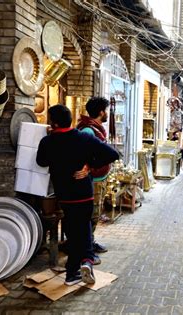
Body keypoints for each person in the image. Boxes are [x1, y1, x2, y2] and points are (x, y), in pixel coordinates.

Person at [36, 105, 119, 286]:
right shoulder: (84, 138)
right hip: (83, 193)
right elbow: (113, 154)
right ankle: (81, 266)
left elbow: (40, 161)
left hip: (64, 195)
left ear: (54, 122)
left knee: (75, 232)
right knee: (83, 229)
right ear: (70, 120)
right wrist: (90, 166)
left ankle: (81, 265)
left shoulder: (48, 142)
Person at [76, 97, 110, 265]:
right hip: (92, 180)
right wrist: (87, 168)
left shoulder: (96, 128)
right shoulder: (88, 130)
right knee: (91, 215)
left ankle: (90, 242)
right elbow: (80, 153)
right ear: (101, 112)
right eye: (106, 110)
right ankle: (85, 250)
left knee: (95, 214)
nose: (107, 113)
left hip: (99, 177)